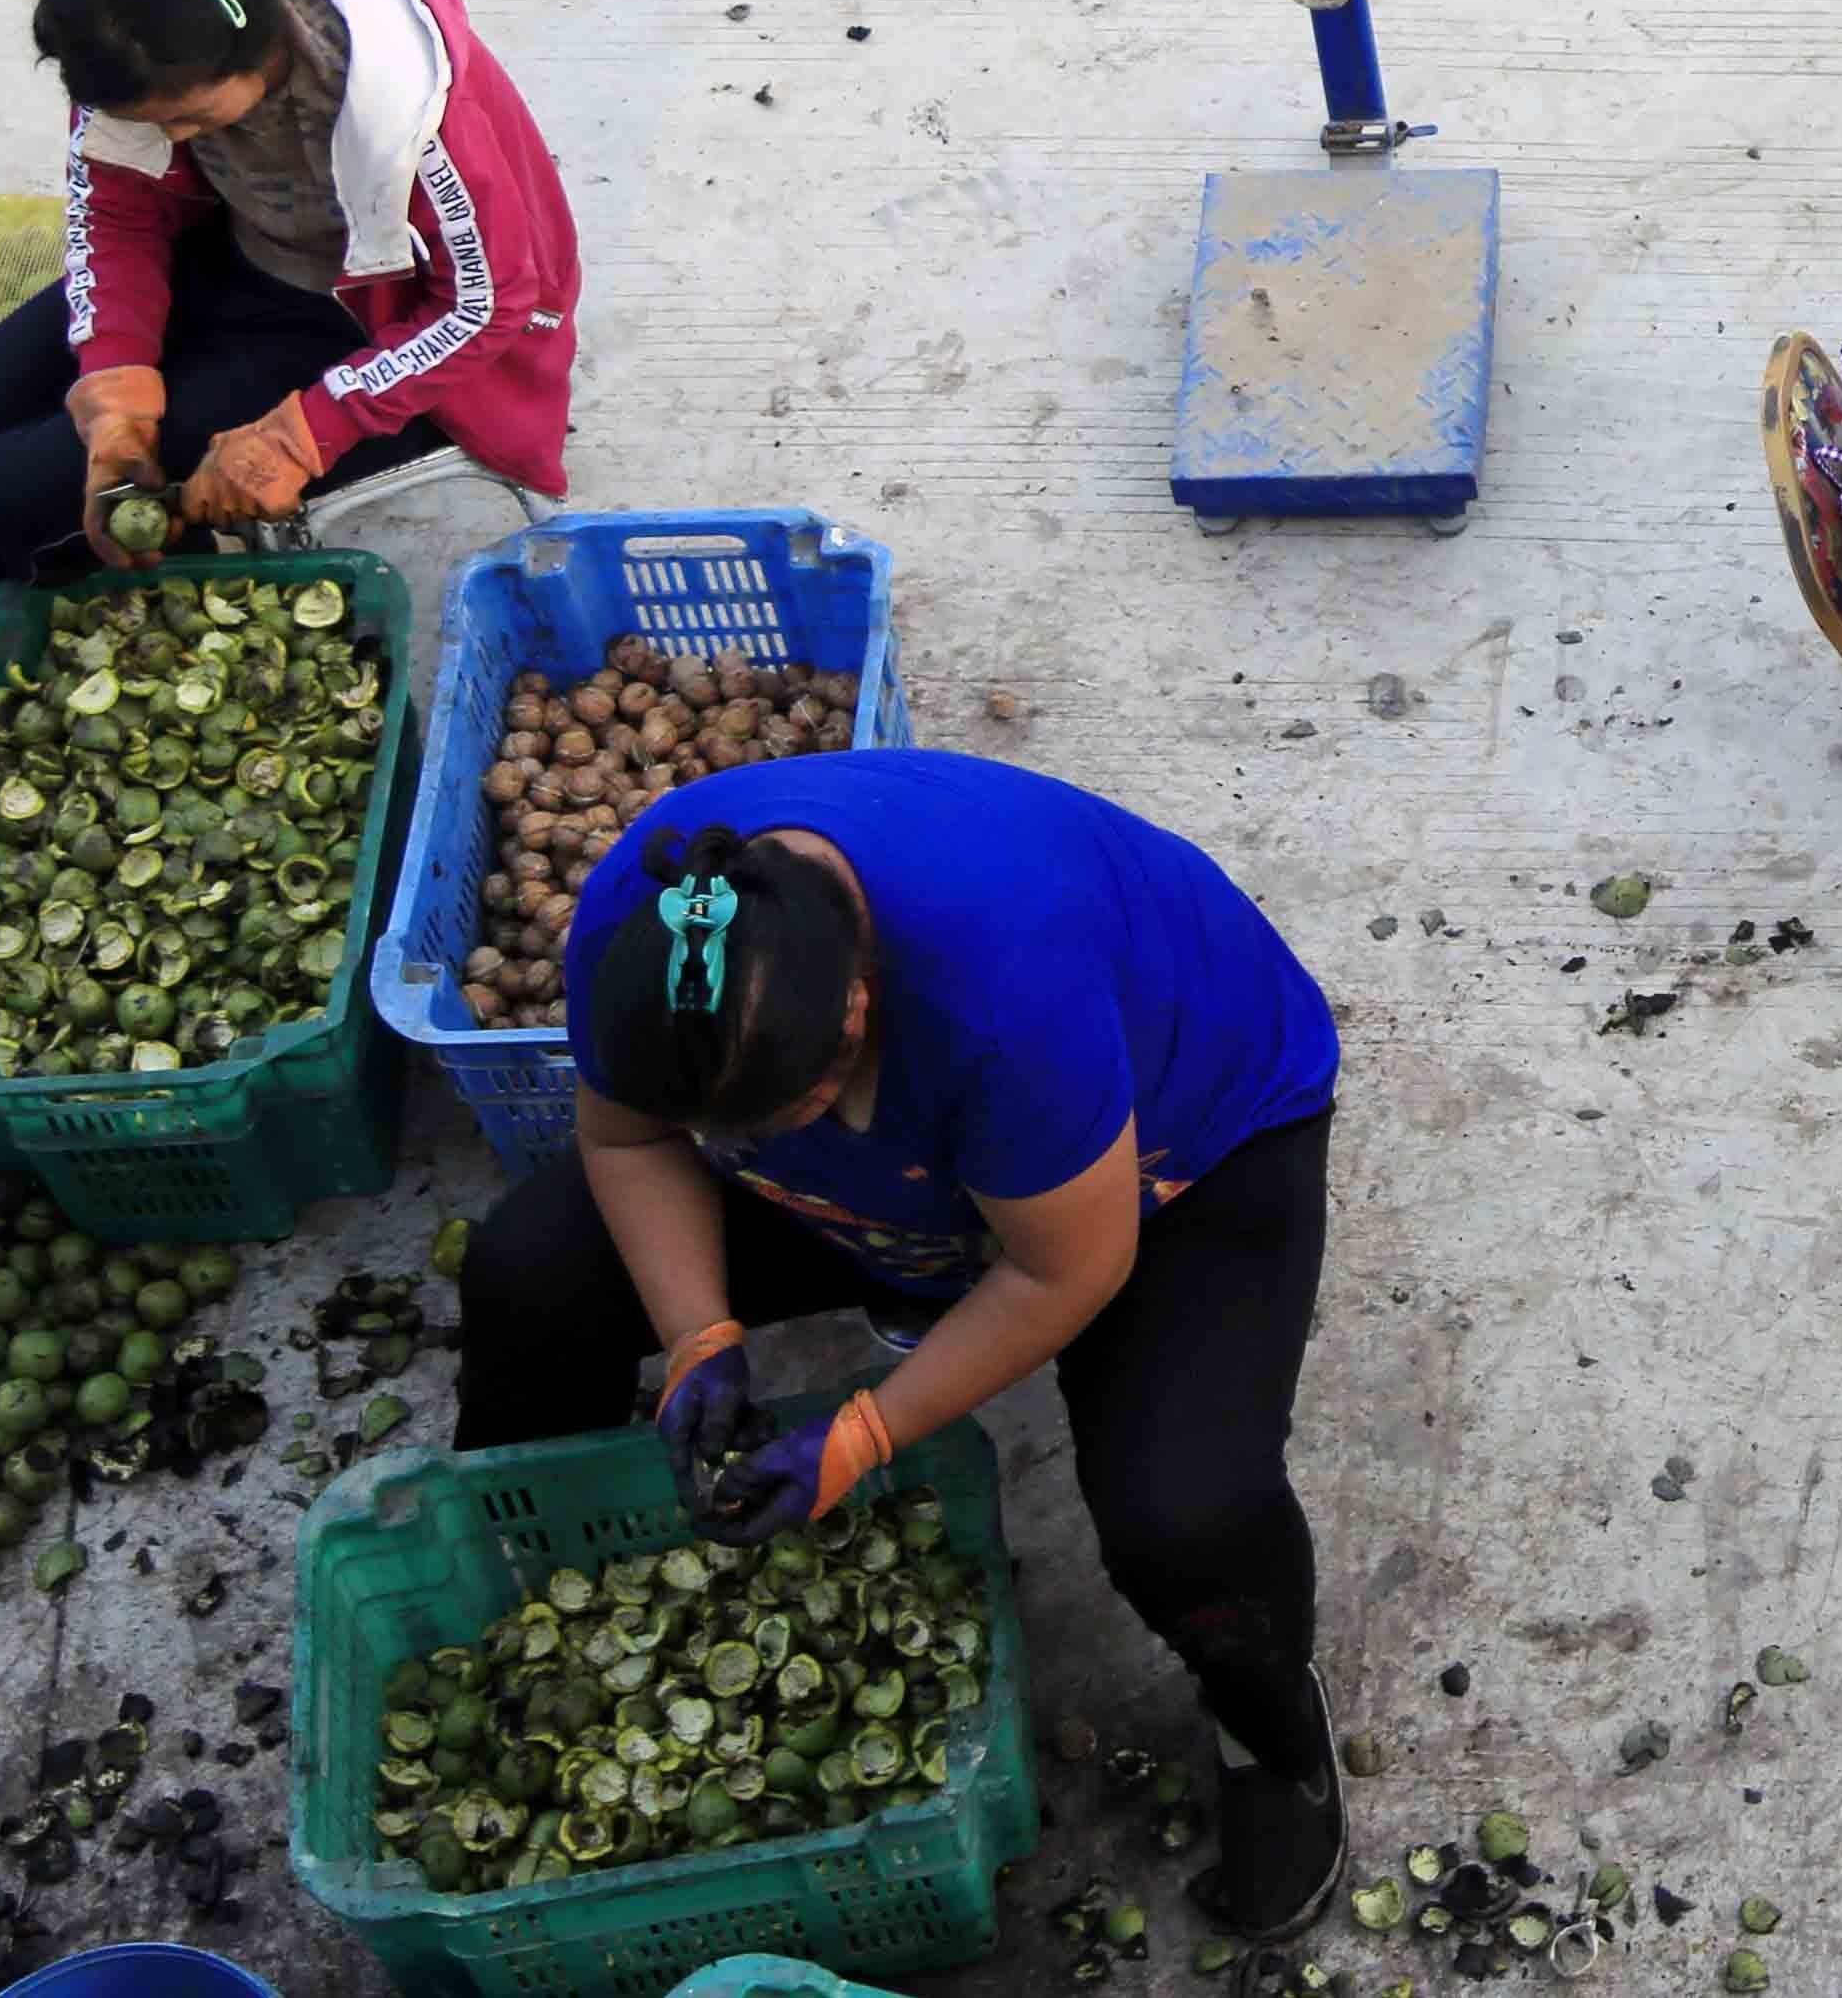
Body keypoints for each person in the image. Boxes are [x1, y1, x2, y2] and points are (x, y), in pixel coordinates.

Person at [452, 754, 1353, 1935]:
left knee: (1181, 1513)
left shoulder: (1002, 990)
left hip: (1174, 1154)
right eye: (711, 1128)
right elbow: (631, 1147)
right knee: (529, 1273)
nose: (723, 1148)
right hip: (913, 1178)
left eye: (762, 1125)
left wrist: (867, 1429)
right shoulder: (654, 917)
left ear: (859, 1018)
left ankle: (1273, 1734)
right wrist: (697, 1333)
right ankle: (519, 1586)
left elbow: (1062, 1268)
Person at [0, 0, 580, 900]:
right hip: (233, 258)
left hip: (371, 330)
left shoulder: (408, 109)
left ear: (259, 44)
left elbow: (490, 304)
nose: (178, 140)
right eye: (160, 126)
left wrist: (303, 434)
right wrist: (118, 391)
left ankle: (108, 725)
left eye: (195, 121)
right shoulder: (139, 62)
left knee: (13, 498)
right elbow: (115, 211)